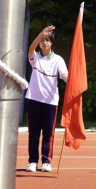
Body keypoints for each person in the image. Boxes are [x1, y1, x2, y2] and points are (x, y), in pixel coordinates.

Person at [24, 25, 68, 173]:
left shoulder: (58, 60)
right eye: (42, 40)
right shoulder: (35, 58)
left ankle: (46, 161)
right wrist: (40, 33)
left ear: (52, 43)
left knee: (48, 133)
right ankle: (32, 162)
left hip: (50, 102)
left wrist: (73, 82)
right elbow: (30, 50)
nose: (44, 43)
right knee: (34, 132)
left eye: (47, 40)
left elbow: (64, 75)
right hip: (34, 100)